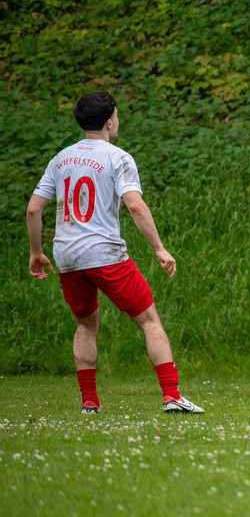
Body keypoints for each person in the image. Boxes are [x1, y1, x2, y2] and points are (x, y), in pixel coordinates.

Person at [26, 92, 203, 414]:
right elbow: (134, 204)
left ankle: (90, 403)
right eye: (117, 116)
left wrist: (36, 252)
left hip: (67, 256)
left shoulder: (60, 159)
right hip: (104, 254)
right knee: (149, 321)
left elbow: (33, 209)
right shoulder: (117, 157)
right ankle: (172, 395)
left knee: (85, 325)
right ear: (110, 122)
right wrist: (160, 249)